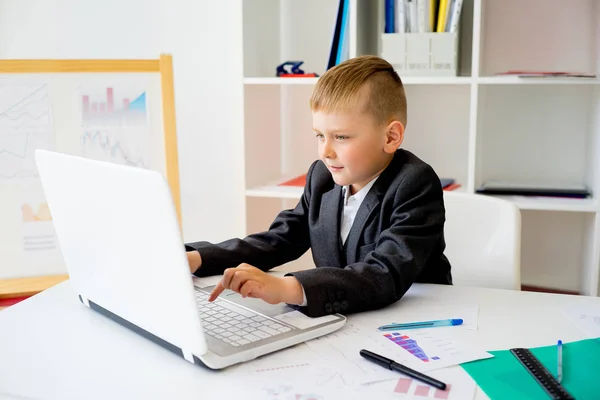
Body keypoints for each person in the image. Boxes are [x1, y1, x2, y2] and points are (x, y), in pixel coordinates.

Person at [185, 55, 451, 318]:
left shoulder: (415, 183)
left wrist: (286, 287)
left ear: (391, 137)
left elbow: (383, 273)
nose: (325, 151)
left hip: (413, 319)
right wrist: (199, 258)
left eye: (341, 137)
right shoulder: (322, 177)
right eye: (320, 135)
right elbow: (281, 239)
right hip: (346, 317)